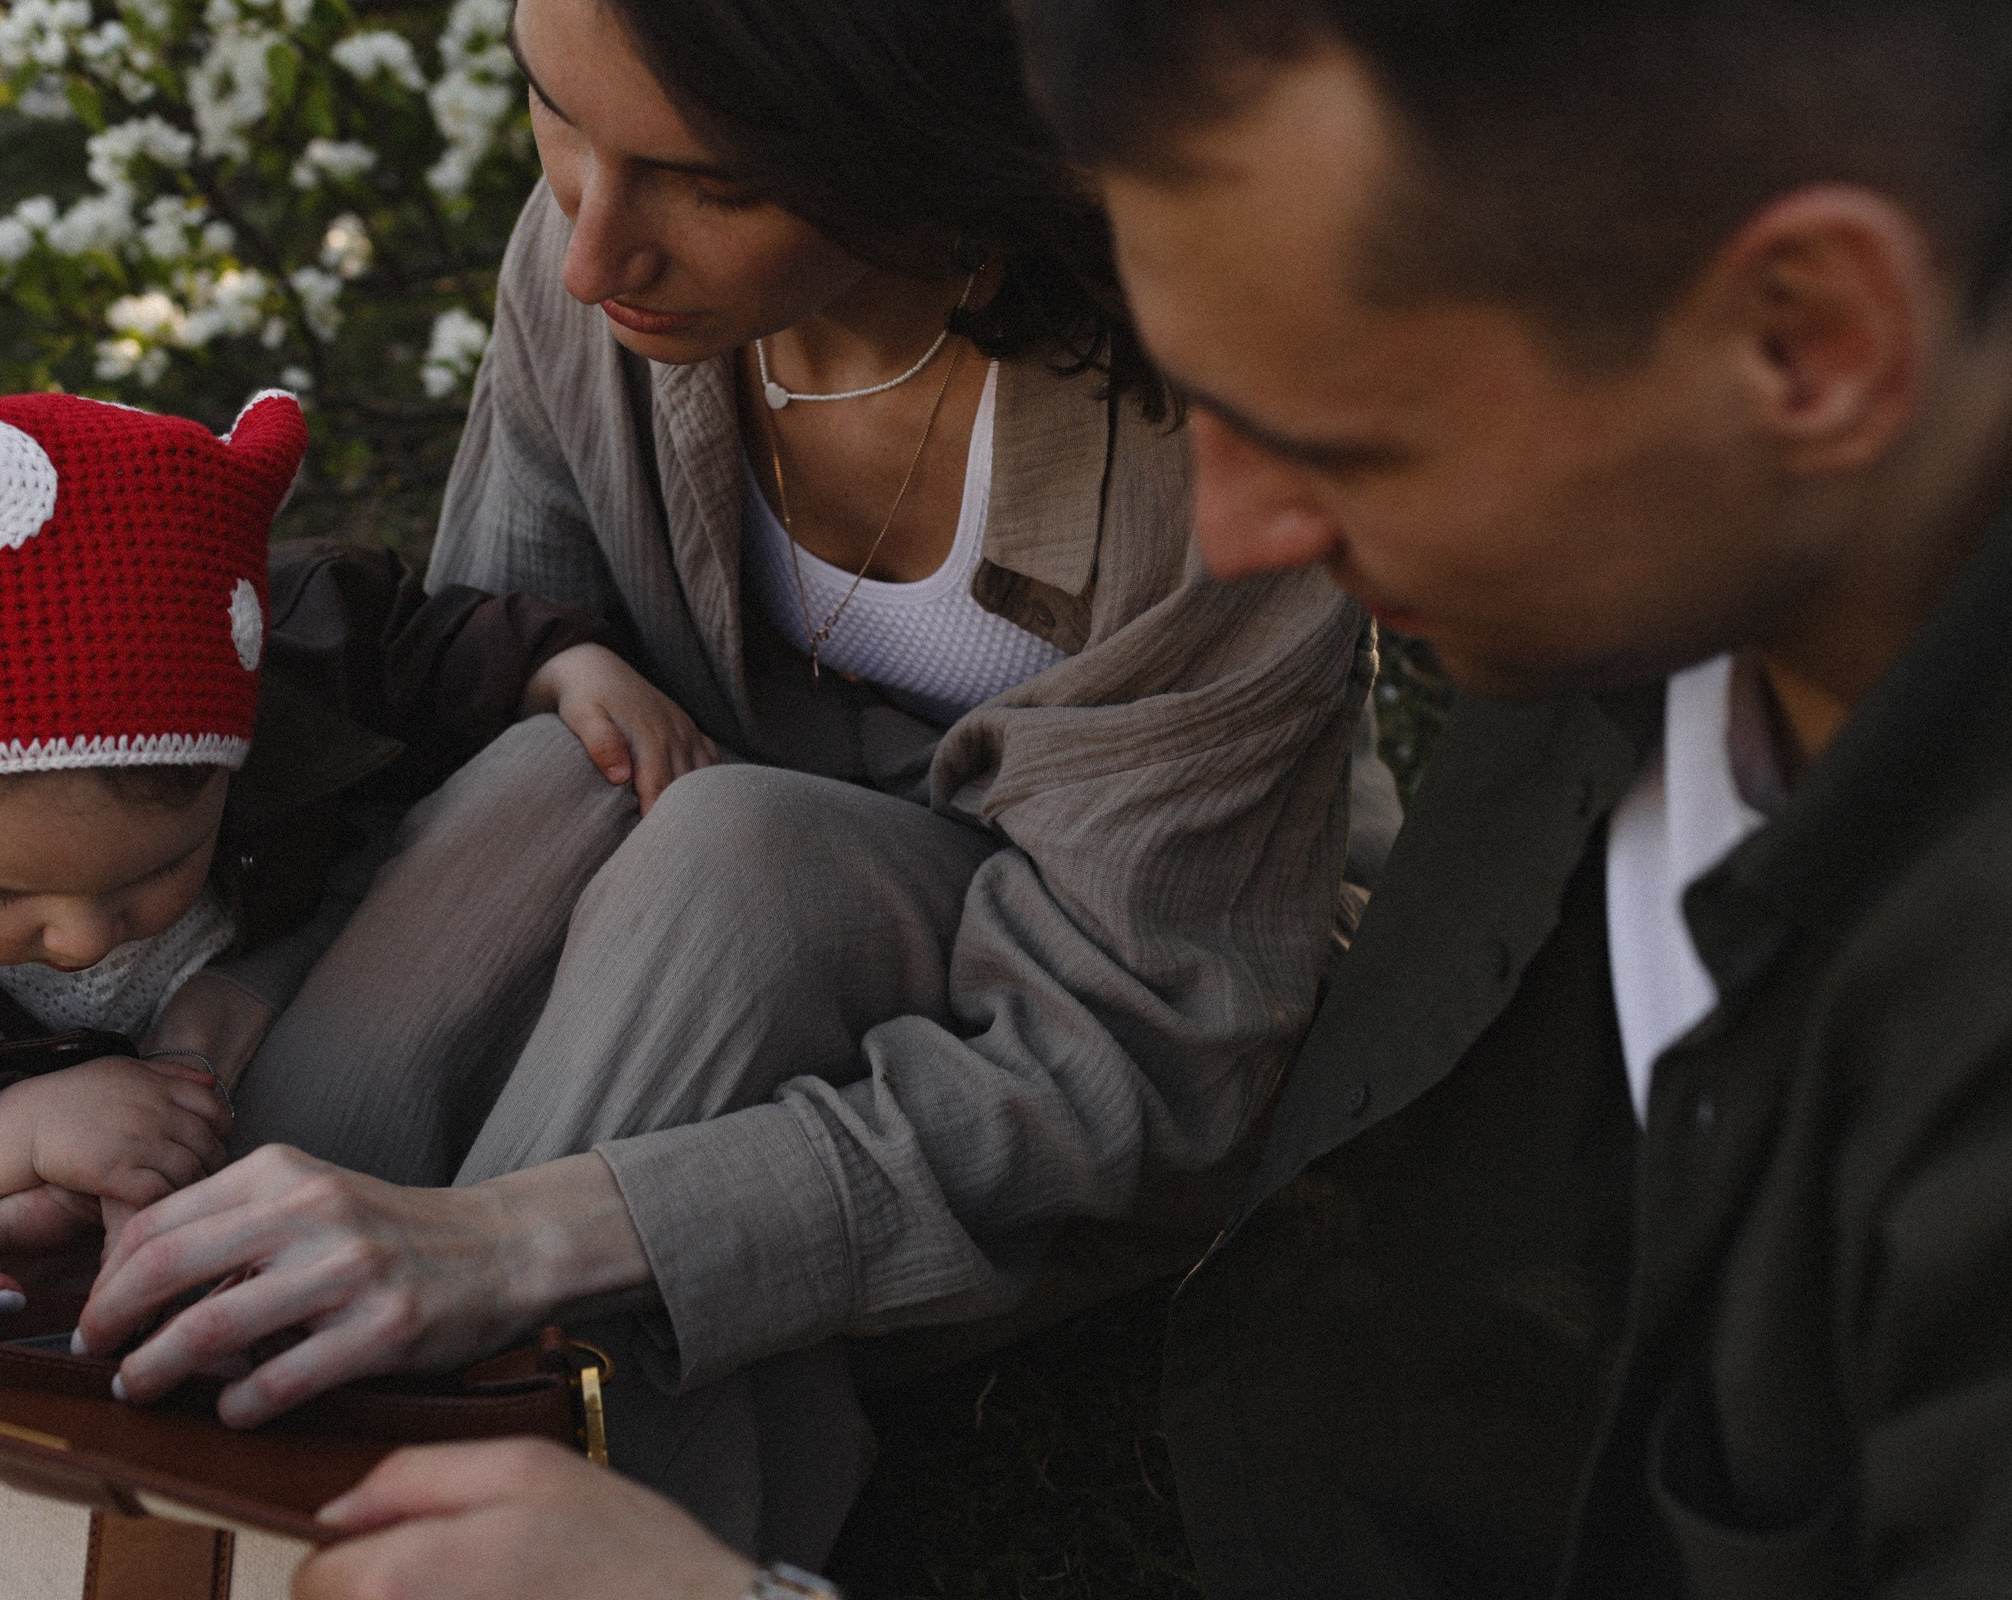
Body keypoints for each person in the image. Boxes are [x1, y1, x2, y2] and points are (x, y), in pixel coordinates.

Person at [278, 0, 2012, 1594]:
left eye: (1333, 431)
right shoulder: (1622, 721)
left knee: (742, 856)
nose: (1245, 533)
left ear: (1812, 338)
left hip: (982, 1038)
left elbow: (1149, 1047)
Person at [33, 0, 1393, 1564]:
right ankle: (179, 1301)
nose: (589, 255)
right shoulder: (597, 296)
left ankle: (481, 1455)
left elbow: (1133, 1055)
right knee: (565, 750)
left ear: (934, 140)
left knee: (744, 847)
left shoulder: (1214, 412)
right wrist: (222, 1054)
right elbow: (479, 719)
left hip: (1044, 1039)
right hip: (666, 977)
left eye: (715, 183)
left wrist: (508, 1240)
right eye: (553, 114)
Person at [0, 354, 694, 1349]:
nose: (84, 932)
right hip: (75, 1299)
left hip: (306, 1089)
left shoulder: (249, 681)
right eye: (0, 890)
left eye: (152, 873)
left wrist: (559, 661)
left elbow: (389, 645)